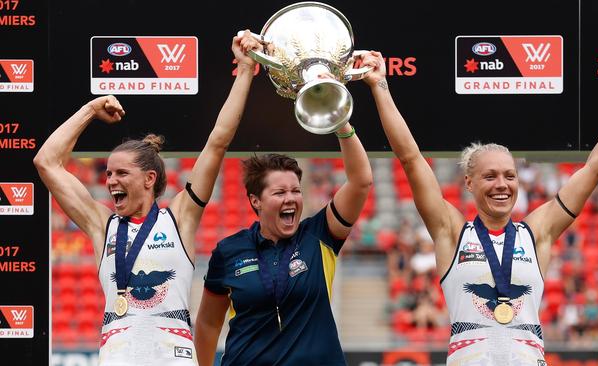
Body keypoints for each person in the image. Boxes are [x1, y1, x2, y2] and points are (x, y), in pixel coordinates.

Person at [364, 47, 598, 365]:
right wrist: (380, 87)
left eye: (510, 175)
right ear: (469, 183)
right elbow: (410, 158)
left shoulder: (538, 232)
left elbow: (596, 167)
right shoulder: (452, 231)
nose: (502, 184)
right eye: (490, 176)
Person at [34, 32, 261, 365]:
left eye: (121, 173)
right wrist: (90, 108)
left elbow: (217, 142)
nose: (110, 181)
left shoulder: (180, 217)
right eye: (108, 174)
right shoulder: (102, 225)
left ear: (149, 178)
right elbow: (46, 162)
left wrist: (244, 70)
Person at [194, 82, 373, 365]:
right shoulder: (229, 251)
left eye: (296, 191)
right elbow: (207, 324)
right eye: (279, 193)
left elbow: (361, 182)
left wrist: (340, 121)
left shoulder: (319, 235)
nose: (291, 199)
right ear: (256, 201)